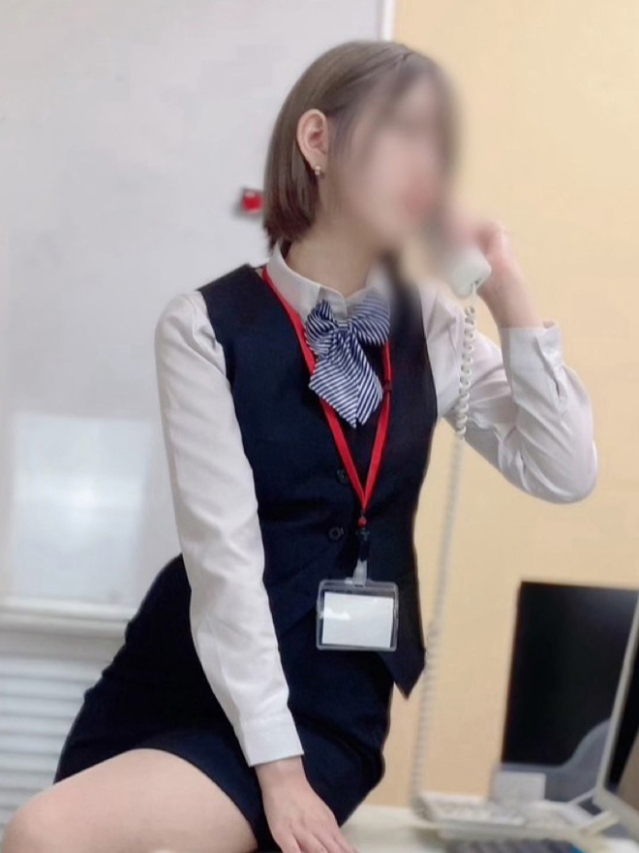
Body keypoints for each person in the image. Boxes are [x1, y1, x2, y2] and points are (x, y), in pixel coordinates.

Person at [2, 39, 597, 853]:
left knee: (47, 832)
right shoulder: (203, 326)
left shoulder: (430, 323)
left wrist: (506, 289)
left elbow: (564, 470)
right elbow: (223, 558)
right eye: (403, 131)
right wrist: (274, 770)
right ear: (318, 141)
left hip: (325, 702)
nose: (426, 163)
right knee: (51, 833)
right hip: (186, 675)